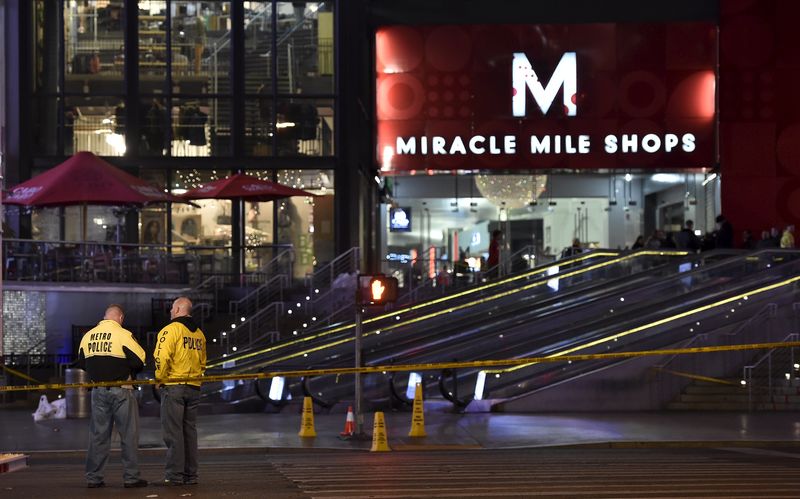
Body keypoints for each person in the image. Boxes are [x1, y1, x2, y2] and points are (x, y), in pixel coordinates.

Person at [76, 304, 147, 489]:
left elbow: (82, 362)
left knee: (98, 436)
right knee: (128, 435)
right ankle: (131, 478)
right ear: (120, 318)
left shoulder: (88, 336)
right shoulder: (123, 334)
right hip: (121, 390)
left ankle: (94, 478)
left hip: (98, 391)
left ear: (104, 317)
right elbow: (140, 361)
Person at [154, 296, 207, 486]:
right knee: (190, 432)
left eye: (171, 309)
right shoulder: (199, 334)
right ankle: (191, 475)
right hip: (194, 386)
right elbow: (202, 362)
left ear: (177, 310)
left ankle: (174, 475)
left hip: (174, 385)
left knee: (173, 432)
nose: (170, 311)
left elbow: (161, 356)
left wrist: (160, 379)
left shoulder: (170, 330)